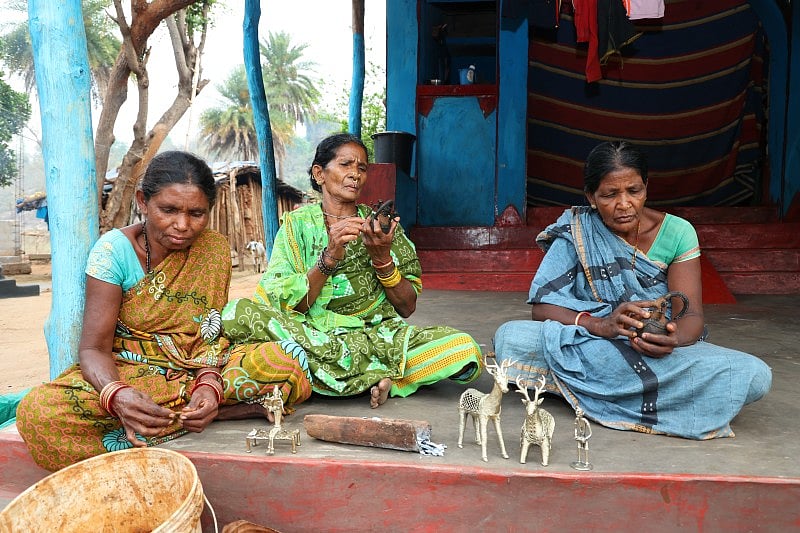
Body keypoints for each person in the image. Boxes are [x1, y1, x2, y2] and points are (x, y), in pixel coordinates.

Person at [16, 151, 312, 471]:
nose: (182, 225)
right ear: (143, 202)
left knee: (287, 361)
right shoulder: (113, 252)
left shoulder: (212, 250)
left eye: (196, 213)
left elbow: (208, 335)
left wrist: (209, 384)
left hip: (197, 367)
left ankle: (192, 410)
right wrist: (117, 395)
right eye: (168, 210)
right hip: (131, 369)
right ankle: (215, 412)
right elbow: (92, 349)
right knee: (39, 412)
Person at [493, 140, 771, 440]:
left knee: (755, 375)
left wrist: (673, 340)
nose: (624, 204)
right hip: (593, 340)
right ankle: (652, 394)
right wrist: (601, 325)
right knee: (509, 338)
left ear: (646, 188)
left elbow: (690, 316)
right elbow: (542, 308)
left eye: (633, 191)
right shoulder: (578, 229)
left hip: (654, 352)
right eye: (610, 195)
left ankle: (582, 389)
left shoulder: (678, 232)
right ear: (591, 197)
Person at [222, 133, 482, 408]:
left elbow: (407, 307)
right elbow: (289, 305)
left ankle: (332, 377)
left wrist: (382, 258)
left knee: (463, 348)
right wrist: (330, 257)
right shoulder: (296, 225)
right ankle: (378, 375)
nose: (355, 175)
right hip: (314, 334)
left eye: (362, 168)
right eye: (346, 165)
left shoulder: (382, 227)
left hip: (378, 338)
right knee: (236, 313)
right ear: (319, 173)